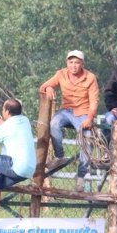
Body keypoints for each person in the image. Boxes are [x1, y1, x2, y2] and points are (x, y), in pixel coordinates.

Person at [38, 50, 100, 192]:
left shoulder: (90, 78)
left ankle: (80, 178)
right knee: (53, 124)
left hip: (83, 112)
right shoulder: (61, 74)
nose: (73, 65)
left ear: (82, 64)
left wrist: (90, 118)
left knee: (87, 139)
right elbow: (42, 86)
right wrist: (48, 88)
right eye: (71, 62)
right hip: (66, 110)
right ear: (67, 63)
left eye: (77, 62)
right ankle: (60, 156)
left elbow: (94, 101)